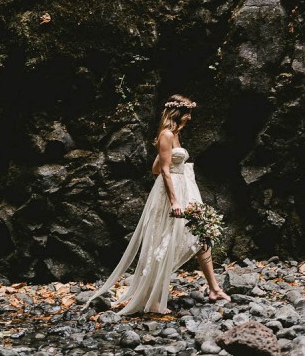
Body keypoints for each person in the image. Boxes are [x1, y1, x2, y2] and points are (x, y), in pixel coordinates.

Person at [84, 94, 231, 315]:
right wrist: (174, 201)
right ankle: (150, 293)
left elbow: (157, 166)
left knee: (201, 235)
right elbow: (162, 171)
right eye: (188, 113)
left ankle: (214, 288)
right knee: (166, 241)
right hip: (174, 194)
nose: (190, 117)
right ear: (178, 113)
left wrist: (173, 171)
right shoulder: (166, 135)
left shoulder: (175, 135)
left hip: (186, 188)